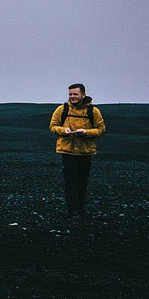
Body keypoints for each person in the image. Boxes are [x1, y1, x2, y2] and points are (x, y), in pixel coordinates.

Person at [49, 83, 105, 216]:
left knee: (82, 182)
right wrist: (63, 130)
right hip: (67, 151)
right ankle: (73, 210)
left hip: (85, 152)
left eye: (75, 94)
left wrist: (86, 132)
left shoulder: (93, 111)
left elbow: (101, 129)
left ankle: (80, 208)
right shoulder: (62, 109)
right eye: (70, 94)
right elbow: (53, 126)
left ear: (83, 95)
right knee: (70, 182)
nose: (72, 97)